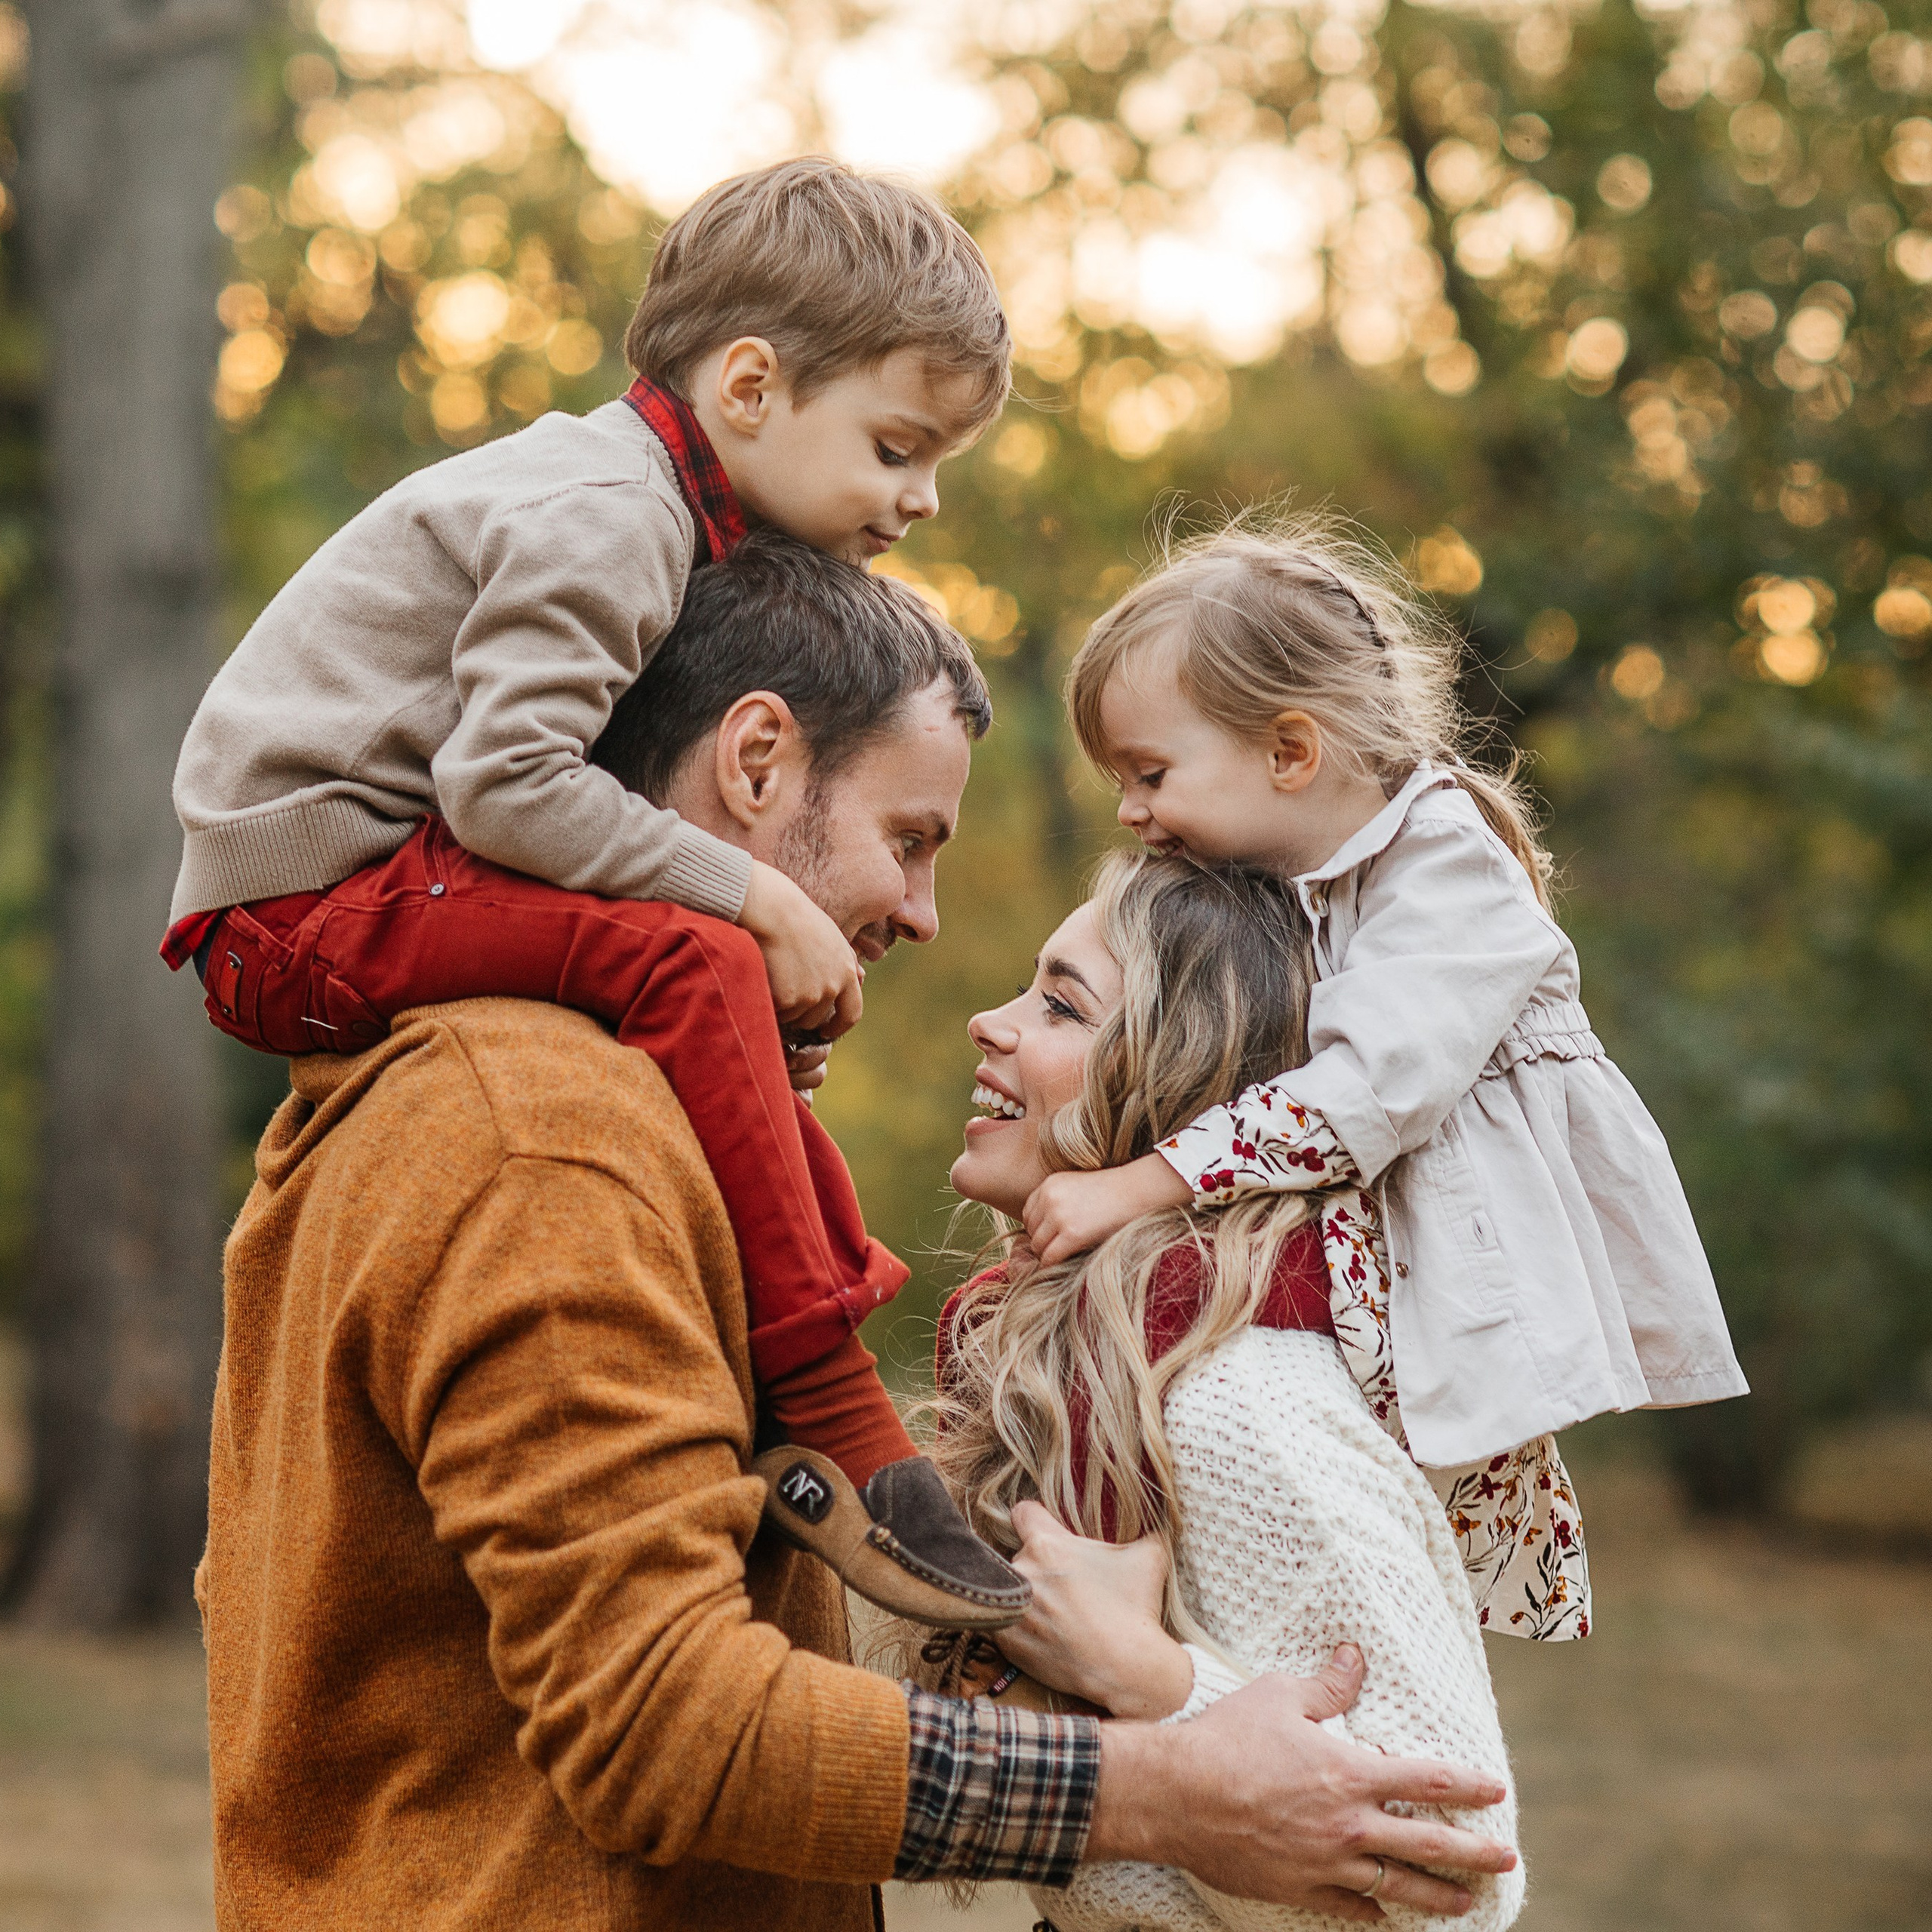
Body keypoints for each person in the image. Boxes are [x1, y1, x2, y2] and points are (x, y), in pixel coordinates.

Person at [198, 583, 1521, 1931]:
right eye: (909, 838)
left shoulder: (561, 1096)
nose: (925, 914)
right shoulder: (546, 1137)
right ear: (756, 762)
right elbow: (665, 1720)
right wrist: (1162, 1786)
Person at [162, 158, 1023, 1623]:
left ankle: (824, 1366)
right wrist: (755, 897)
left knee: (707, 983)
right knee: (695, 956)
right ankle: (828, 1407)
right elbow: (504, 786)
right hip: (296, 901)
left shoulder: (651, 509)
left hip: (381, 868)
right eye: (895, 447)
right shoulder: (612, 515)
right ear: (748, 386)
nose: (920, 498)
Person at [1020, 516, 1749, 1628]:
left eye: (1150, 773)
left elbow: (1364, 1094)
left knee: (1391, 1551)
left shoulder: (1443, 860)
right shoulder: (1306, 881)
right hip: (1380, 1235)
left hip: (1467, 1248)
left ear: (1290, 752)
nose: (1129, 811)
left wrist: (1138, 1185)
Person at [934, 849, 1527, 1930]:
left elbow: (1459, 1888)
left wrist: (1147, 1678)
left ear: (1176, 1081)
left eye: (1062, 1006)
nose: (989, 1021)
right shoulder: (1108, 1380)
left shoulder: (1235, 1402)